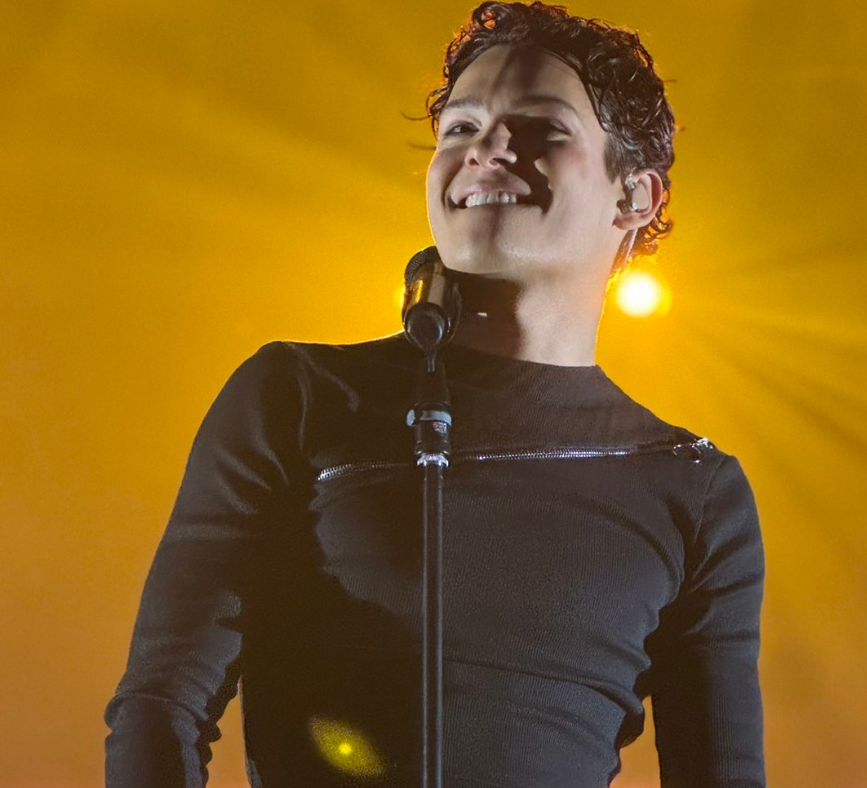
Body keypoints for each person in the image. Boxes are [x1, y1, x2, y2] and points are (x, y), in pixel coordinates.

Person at [104, 2, 766, 787]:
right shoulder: (298, 397)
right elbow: (162, 705)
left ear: (635, 197)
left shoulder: (694, 487)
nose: (485, 149)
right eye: (462, 128)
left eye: (539, 128)